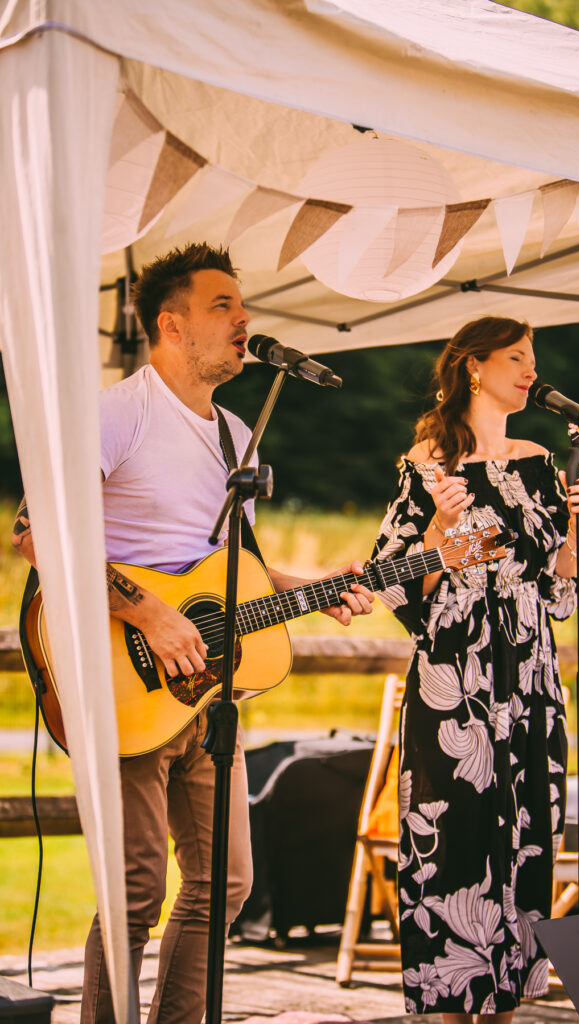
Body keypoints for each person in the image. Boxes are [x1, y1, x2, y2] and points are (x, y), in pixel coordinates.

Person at [11, 243, 373, 1024]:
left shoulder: (236, 434)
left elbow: (228, 573)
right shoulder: (115, 413)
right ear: (170, 326)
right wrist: (147, 612)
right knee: (135, 889)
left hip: (207, 693)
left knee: (226, 884)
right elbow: (37, 530)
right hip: (121, 680)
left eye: (242, 306)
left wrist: (308, 590)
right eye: (222, 307)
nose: (245, 320)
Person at [372, 316, 579, 1023]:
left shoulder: (540, 460)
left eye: (532, 358)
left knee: (527, 835)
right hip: (457, 677)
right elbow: (390, 580)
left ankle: (507, 1005)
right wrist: (441, 530)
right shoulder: (427, 462)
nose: (530, 370)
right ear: (473, 366)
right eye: (515, 357)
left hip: (531, 672)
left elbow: (561, 590)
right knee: (456, 841)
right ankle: (450, 1006)